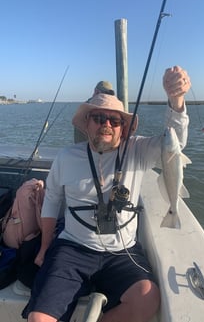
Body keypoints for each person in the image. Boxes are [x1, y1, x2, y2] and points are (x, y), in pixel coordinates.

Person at [24, 65, 191, 322]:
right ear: (87, 124)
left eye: (115, 120)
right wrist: (45, 247)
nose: (107, 125)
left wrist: (176, 100)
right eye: (99, 118)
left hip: (122, 251)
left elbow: (175, 143)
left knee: (148, 299)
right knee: (39, 318)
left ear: (124, 127)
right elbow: (52, 201)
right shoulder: (66, 157)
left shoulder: (138, 150)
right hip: (72, 248)